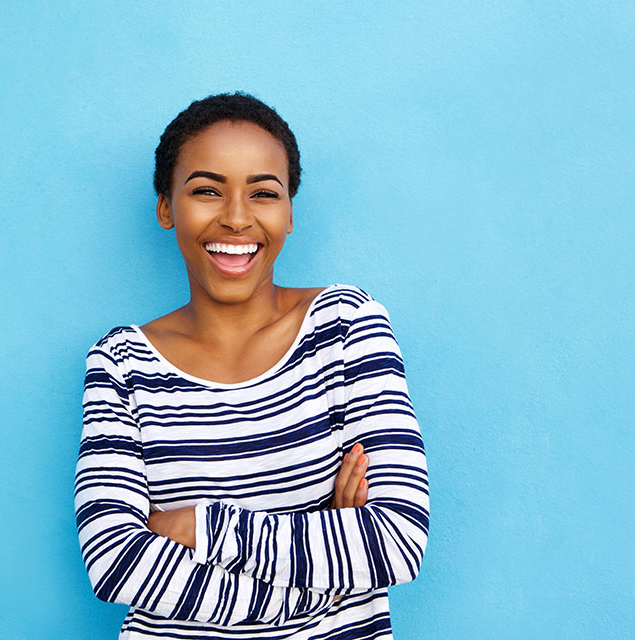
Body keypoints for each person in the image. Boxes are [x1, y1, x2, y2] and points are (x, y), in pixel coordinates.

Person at [74, 92, 429, 639]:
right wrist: (322, 576)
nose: (237, 218)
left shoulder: (346, 326)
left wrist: (197, 526)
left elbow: (397, 541)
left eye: (264, 193)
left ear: (289, 213)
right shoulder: (121, 363)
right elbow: (114, 561)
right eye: (207, 190)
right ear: (167, 206)